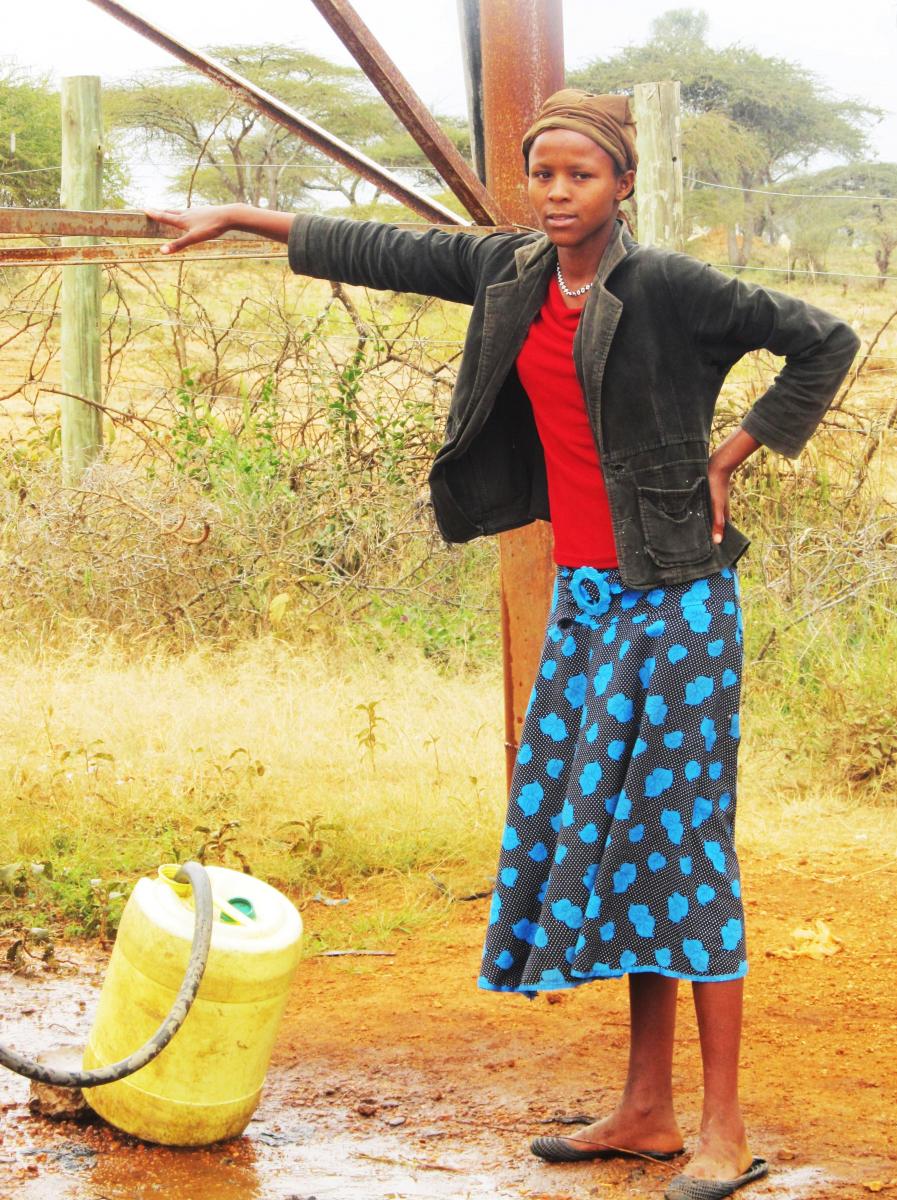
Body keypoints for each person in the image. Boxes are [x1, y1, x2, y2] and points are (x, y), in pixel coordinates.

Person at [147, 88, 859, 1200]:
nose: (559, 194)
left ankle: (721, 1128)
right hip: (587, 600)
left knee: (685, 857)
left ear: (624, 183)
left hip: (672, 603)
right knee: (625, 854)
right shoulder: (514, 272)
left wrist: (733, 456)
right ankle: (646, 1110)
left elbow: (826, 340)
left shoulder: (669, 286)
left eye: (582, 176)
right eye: (545, 176)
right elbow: (389, 247)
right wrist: (245, 216)